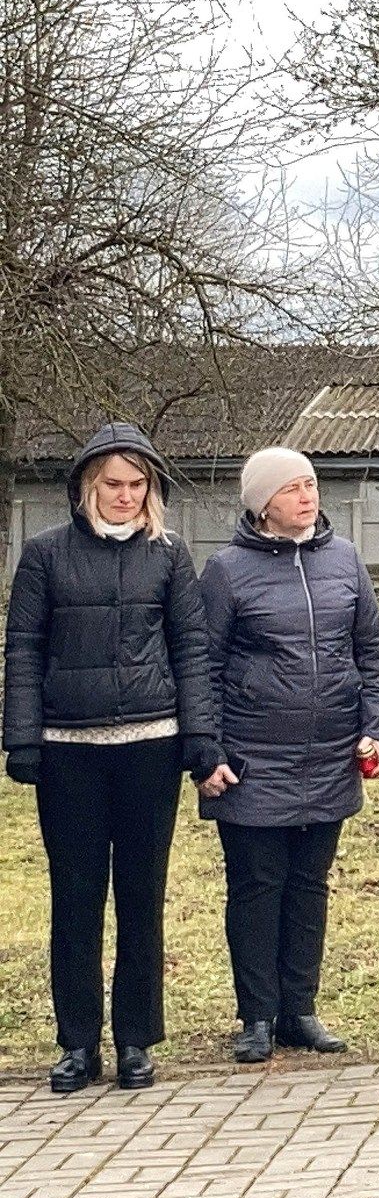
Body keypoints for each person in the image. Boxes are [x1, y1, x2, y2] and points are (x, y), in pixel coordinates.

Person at [2, 424, 230, 1094]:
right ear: (86, 487)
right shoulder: (44, 556)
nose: (125, 496)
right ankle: (77, 1043)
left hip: (149, 750)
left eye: (137, 485)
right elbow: (22, 649)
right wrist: (21, 738)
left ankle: (135, 1041)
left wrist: (201, 741)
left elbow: (191, 651)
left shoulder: (169, 556)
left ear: (150, 489)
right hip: (68, 754)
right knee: (74, 902)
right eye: (113, 485)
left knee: (141, 898)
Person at [199, 447, 379, 1063]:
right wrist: (208, 753)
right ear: (262, 504)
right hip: (253, 763)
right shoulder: (227, 571)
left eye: (310, 484)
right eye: (291, 488)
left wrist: (376, 730)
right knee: (257, 887)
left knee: (310, 885)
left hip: (331, 756)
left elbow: (372, 653)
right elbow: (202, 667)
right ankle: (256, 1016)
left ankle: (299, 1011)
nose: (307, 495)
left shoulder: (345, 560)